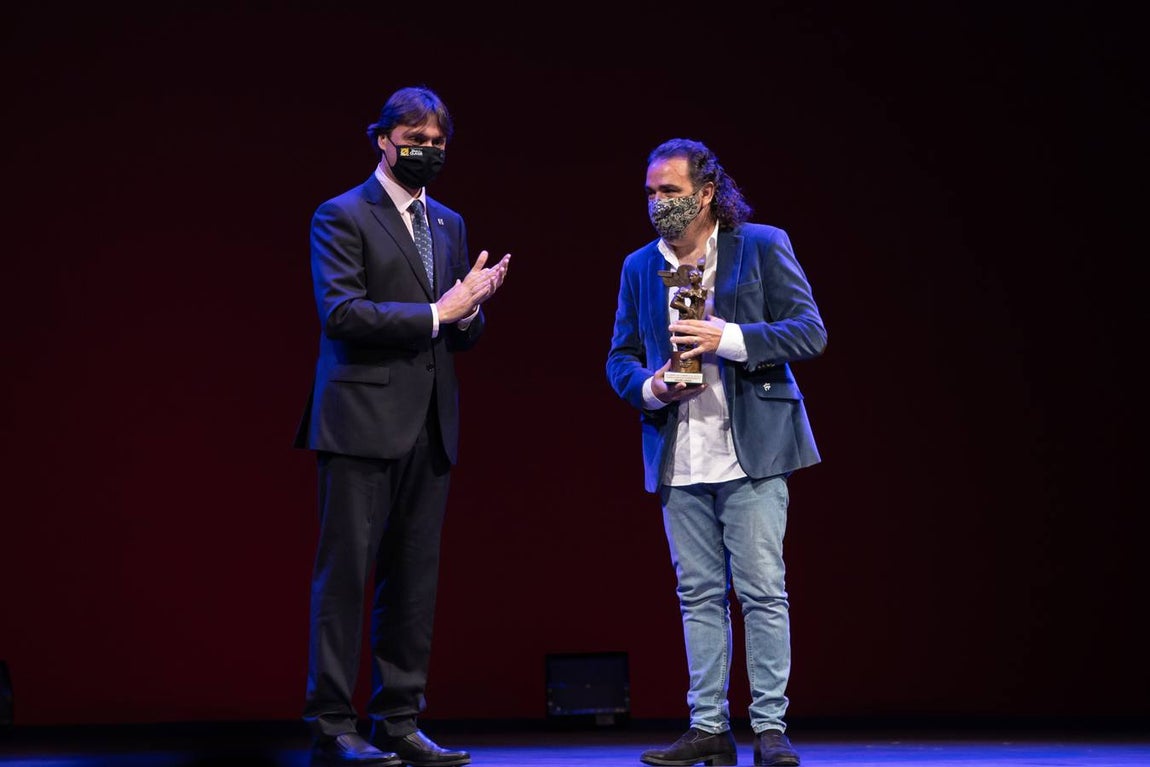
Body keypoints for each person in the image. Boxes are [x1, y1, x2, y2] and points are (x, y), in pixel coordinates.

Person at [294, 85, 510, 766]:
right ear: (382, 139)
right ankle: (332, 722)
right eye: (414, 139)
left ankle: (399, 717)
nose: (426, 151)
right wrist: (440, 312)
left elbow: (454, 332)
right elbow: (343, 314)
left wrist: (471, 310)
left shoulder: (447, 224)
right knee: (347, 575)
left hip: (429, 423)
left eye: (438, 142)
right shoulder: (341, 215)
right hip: (360, 421)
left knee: (414, 577)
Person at [605, 138, 826, 767]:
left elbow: (808, 331)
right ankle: (708, 727)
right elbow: (619, 357)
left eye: (670, 192)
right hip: (680, 455)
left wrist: (727, 337)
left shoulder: (761, 245)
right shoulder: (638, 266)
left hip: (751, 449)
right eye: (651, 193)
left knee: (761, 590)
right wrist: (649, 387)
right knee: (697, 595)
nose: (658, 204)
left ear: (706, 193)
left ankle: (770, 729)